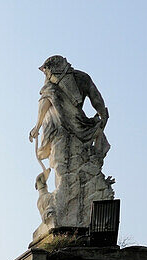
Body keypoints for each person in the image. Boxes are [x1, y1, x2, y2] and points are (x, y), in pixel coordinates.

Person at [28, 56, 113, 237]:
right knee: (72, 170)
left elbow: (45, 103)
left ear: (51, 69)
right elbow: (96, 98)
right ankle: (76, 215)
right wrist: (102, 115)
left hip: (60, 132)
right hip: (80, 128)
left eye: (47, 71)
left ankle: (64, 216)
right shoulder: (82, 78)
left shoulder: (52, 85)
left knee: (63, 170)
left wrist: (37, 126)